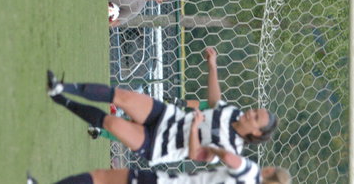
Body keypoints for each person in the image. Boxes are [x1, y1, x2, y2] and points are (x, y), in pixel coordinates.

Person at [46, 47, 278, 165]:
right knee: (122, 97)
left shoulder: (232, 150)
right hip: (167, 116)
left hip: (159, 145)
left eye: (255, 117)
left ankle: (60, 99)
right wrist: (212, 66)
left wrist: (195, 126)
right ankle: (61, 87)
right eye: (255, 110)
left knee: (111, 123)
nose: (250, 113)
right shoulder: (234, 112)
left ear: (257, 133)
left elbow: (196, 154)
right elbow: (215, 102)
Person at [28, 111, 290, 183]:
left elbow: (232, 161)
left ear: (269, 171)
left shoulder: (250, 172)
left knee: (102, 177)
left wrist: (218, 150)